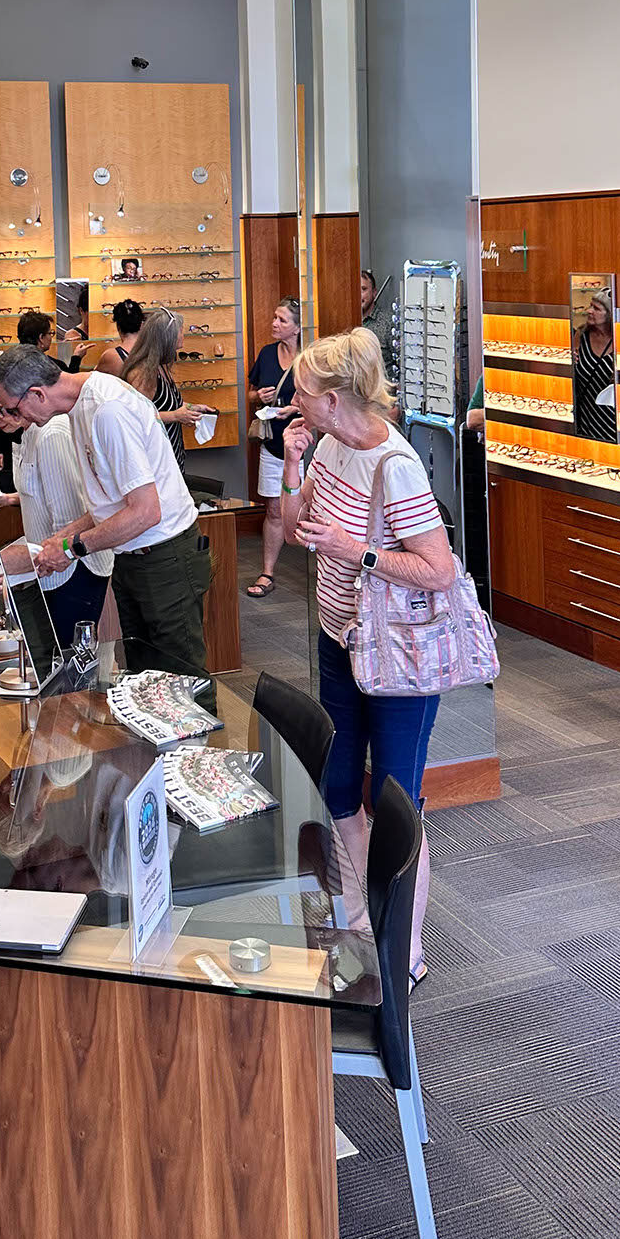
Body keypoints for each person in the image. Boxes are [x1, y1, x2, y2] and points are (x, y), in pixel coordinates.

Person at [281, 327, 453, 976]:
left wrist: (357, 552)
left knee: (395, 801)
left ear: (332, 397)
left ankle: (402, 946)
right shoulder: (327, 443)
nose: (292, 398)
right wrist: (295, 464)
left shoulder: (396, 465)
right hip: (339, 640)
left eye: (302, 390)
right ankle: (360, 919)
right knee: (338, 788)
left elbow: (438, 569)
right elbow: (298, 522)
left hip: (395, 657)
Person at [0, 346, 212, 682]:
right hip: (135, 556)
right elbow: (108, 504)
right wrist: (62, 538)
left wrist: (72, 548)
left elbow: (146, 512)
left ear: (36, 393)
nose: (14, 418)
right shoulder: (80, 407)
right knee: (145, 681)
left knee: (183, 682)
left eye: (12, 408)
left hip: (164, 557)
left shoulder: (108, 411)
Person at [0, 352, 114, 647]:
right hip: (52, 566)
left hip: (72, 572)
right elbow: (43, 494)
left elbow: (70, 521)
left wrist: (20, 565)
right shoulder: (29, 431)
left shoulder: (50, 434)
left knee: (70, 669)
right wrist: (11, 500)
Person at [245, 297, 302, 597]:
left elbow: (324, 398)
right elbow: (252, 394)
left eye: (282, 320)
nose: (274, 324)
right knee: (274, 508)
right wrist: (260, 398)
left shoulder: (310, 357)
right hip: (272, 441)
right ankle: (268, 572)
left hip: (304, 444)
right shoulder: (267, 354)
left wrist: (294, 410)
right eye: (274, 317)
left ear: (297, 328)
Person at [122, 307, 202, 469]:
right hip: (156, 464)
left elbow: (165, 404)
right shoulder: (143, 373)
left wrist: (192, 408)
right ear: (168, 337)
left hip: (173, 458)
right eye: (181, 331)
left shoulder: (161, 366)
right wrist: (175, 416)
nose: (183, 336)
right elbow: (136, 417)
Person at [572, 288, 617, 441]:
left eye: (596, 308)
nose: (589, 311)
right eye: (590, 306)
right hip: (585, 417)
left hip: (612, 421)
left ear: (610, 314)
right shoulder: (581, 335)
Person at [90, 297, 146, 377]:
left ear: (118, 326)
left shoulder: (110, 356)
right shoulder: (153, 352)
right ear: (141, 325)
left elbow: (93, 381)